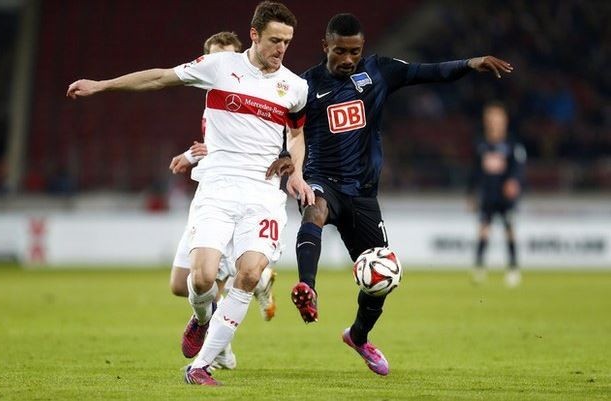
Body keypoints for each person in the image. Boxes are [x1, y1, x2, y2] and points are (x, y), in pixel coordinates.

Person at [67, 1, 314, 386]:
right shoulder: (220, 66)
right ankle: (201, 319)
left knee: (249, 274)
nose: (281, 49)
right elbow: (160, 78)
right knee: (198, 280)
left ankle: (199, 365)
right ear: (253, 34)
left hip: (264, 193)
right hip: (216, 188)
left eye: (287, 41)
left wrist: (296, 171)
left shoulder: (295, 87)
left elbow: (297, 135)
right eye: (274, 40)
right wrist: (103, 85)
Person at [286, 13, 513, 376]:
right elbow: (282, 128)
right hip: (321, 180)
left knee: (383, 278)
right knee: (314, 209)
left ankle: (358, 336)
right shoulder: (303, 85)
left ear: (363, 49)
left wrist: (470, 63)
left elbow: (429, 71)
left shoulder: (378, 72)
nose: (347, 59)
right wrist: (285, 158)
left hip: (362, 194)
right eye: (340, 51)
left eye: (354, 52)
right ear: (324, 46)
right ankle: (307, 288)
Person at [166, 31, 283, 372]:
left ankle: (219, 351)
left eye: (229, 58)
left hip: (240, 198)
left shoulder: (256, 92)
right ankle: (260, 282)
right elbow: (210, 147)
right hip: (210, 194)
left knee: (211, 282)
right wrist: (191, 154)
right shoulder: (213, 101)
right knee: (180, 284)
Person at [467, 101, 526, 287]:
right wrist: (471, 193)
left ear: (504, 121)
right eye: (490, 119)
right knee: (483, 230)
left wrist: (514, 182)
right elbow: (474, 172)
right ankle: (479, 267)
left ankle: (513, 268)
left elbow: (518, 169)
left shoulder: (511, 144)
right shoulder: (481, 144)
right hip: (488, 195)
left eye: (497, 119)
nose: (493, 123)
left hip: (505, 197)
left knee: (509, 230)